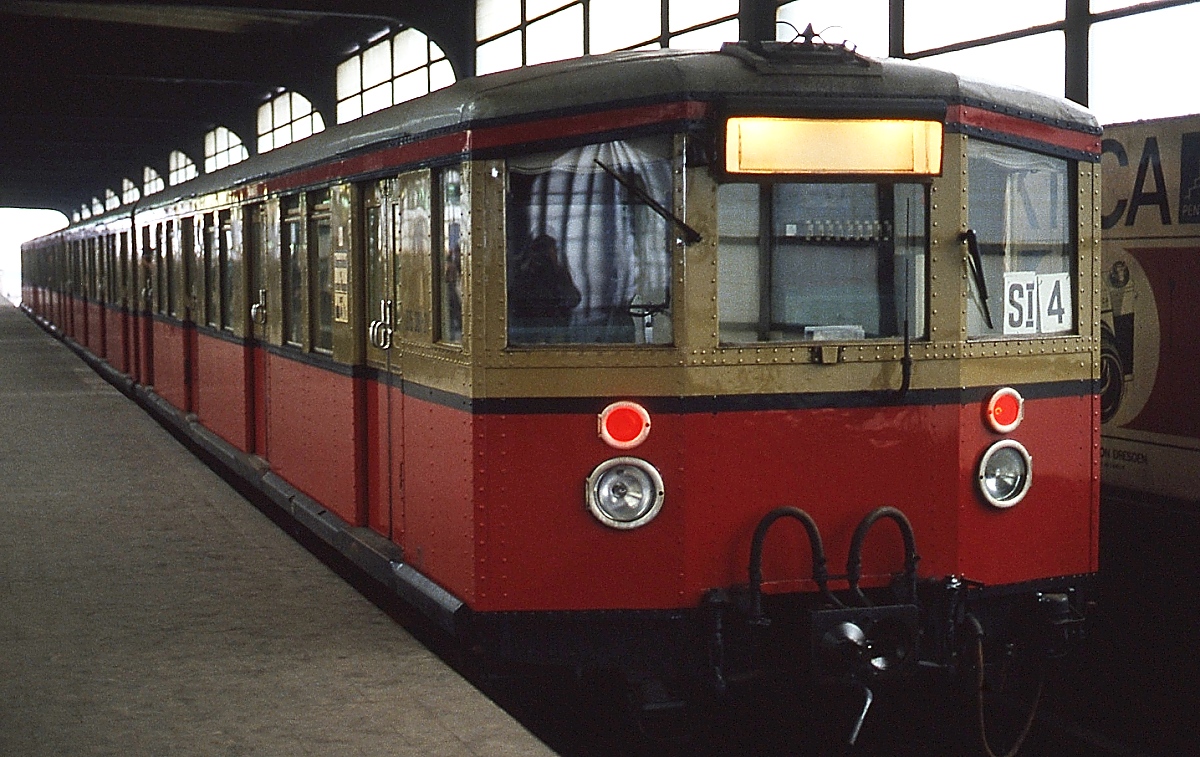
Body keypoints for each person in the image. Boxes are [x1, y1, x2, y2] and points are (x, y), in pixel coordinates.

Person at [508, 234, 581, 341]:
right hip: (531, 332)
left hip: (556, 330)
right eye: (542, 254)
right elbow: (515, 301)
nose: (546, 257)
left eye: (553, 252)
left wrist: (557, 275)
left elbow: (574, 299)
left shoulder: (560, 274)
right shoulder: (525, 275)